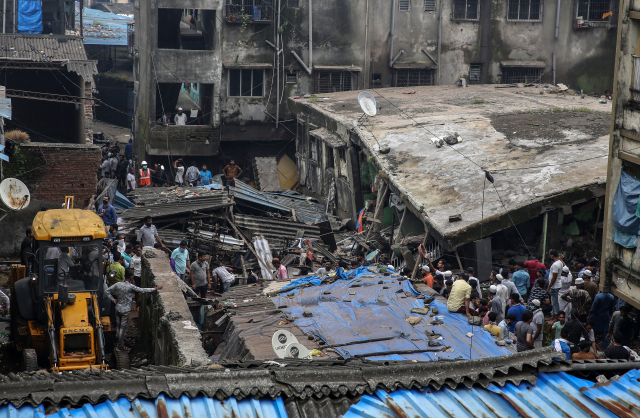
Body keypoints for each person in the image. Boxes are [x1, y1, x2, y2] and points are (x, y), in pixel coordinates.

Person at [107, 269, 162, 351]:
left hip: (118, 307)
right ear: (131, 277)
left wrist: (113, 300)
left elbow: (107, 291)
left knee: (118, 326)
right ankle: (120, 345)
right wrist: (154, 289)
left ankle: (118, 339)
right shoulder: (130, 286)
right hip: (125, 310)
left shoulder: (117, 284)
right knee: (123, 327)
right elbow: (142, 290)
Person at [547, 249, 564, 321]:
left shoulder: (555, 265)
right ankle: (553, 314)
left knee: (555, 302)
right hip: (557, 285)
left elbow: (554, 277)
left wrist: (549, 286)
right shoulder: (559, 262)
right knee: (553, 301)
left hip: (554, 286)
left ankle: (556, 316)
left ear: (552, 255)